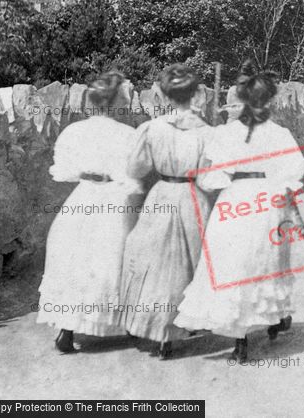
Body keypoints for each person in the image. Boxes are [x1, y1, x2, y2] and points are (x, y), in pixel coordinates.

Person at [173, 60, 304, 361]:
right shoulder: (278, 133)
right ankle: (272, 319)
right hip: (266, 200)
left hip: (234, 201)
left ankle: (240, 340)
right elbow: (289, 175)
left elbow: (211, 177)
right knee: (266, 263)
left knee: (234, 266)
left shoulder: (226, 134)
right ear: (268, 100)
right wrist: (287, 200)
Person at [36, 71, 143, 353]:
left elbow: (64, 172)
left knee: (75, 260)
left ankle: (67, 328)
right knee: (112, 258)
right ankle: (125, 321)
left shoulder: (74, 131)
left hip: (82, 198)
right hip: (113, 198)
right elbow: (134, 175)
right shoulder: (128, 135)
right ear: (116, 101)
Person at [118, 64, 211, 360]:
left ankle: (158, 330)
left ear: (165, 95)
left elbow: (136, 168)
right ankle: (182, 324)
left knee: (155, 262)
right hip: (193, 195)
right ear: (194, 94)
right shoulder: (207, 132)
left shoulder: (153, 128)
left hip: (162, 194)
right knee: (189, 262)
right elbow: (211, 175)